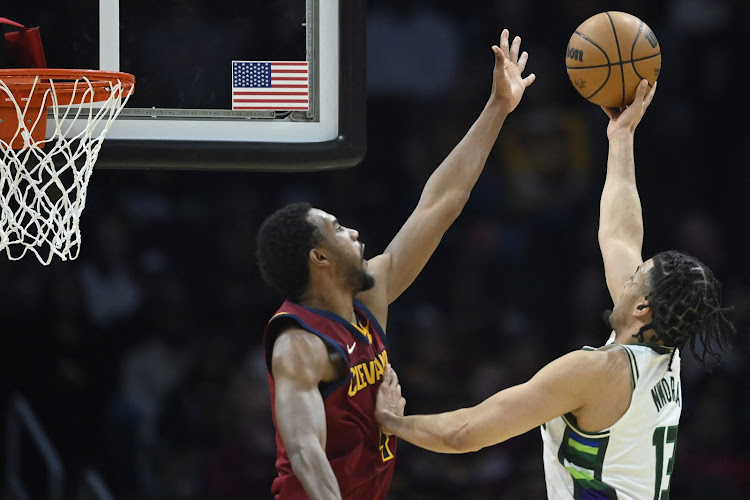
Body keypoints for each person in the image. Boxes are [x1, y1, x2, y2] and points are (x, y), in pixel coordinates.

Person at [375, 80, 737, 499]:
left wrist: (390, 421)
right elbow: (619, 235)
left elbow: (466, 434)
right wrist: (621, 137)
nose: (628, 273)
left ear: (642, 308)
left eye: (637, 276)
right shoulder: (665, 351)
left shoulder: (596, 372)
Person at [255, 29, 535, 500]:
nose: (355, 234)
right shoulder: (298, 343)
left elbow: (440, 204)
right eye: (339, 229)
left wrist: (497, 108)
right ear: (319, 258)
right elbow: (305, 451)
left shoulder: (368, 297)